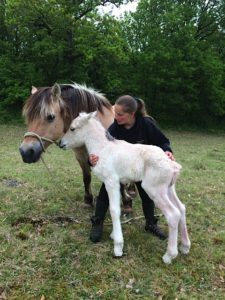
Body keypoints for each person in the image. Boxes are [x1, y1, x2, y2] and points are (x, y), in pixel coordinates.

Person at [89, 95, 175, 243]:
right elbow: (101, 148)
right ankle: (97, 223)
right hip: (121, 169)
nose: (116, 117)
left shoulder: (147, 124)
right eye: (115, 113)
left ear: (132, 114)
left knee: (147, 192)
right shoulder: (114, 128)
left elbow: (162, 141)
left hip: (142, 168)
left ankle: (150, 224)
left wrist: (167, 151)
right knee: (105, 190)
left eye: (120, 114)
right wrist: (92, 160)